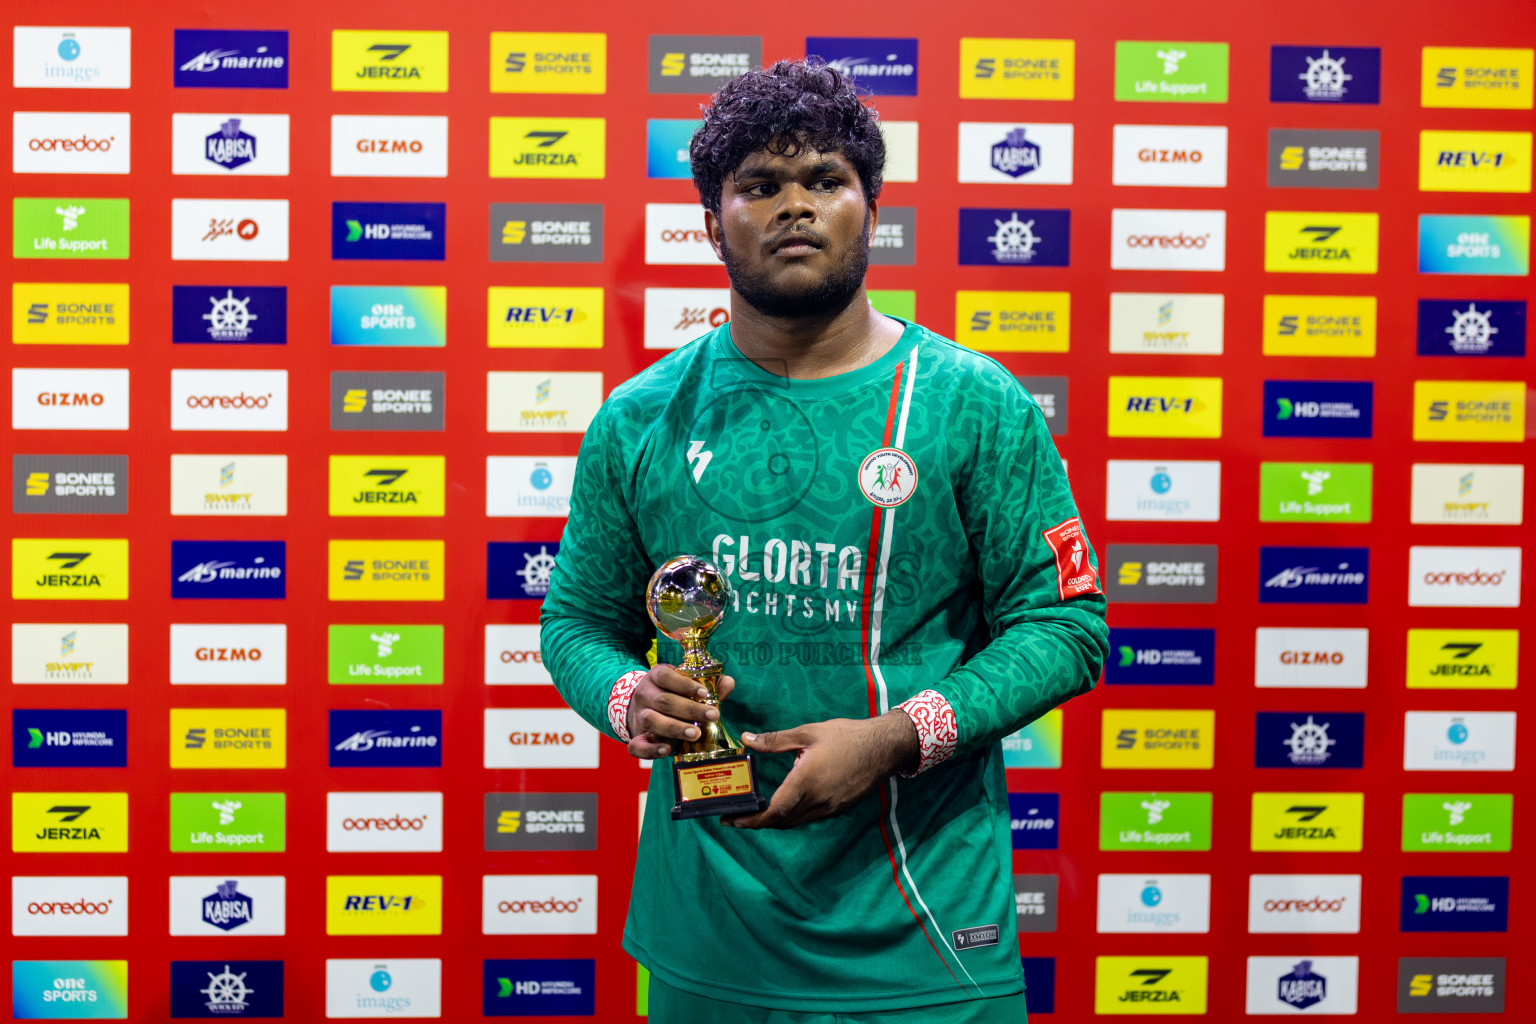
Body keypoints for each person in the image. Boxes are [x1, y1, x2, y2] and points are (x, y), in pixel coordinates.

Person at [540, 58, 1108, 1023]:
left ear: (870, 208)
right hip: (709, 928)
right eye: (760, 186)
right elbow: (575, 622)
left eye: (825, 181)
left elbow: (1065, 627)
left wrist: (894, 739)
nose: (794, 206)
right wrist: (632, 697)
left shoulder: (975, 404)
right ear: (712, 225)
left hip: (924, 934)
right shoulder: (640, 419)